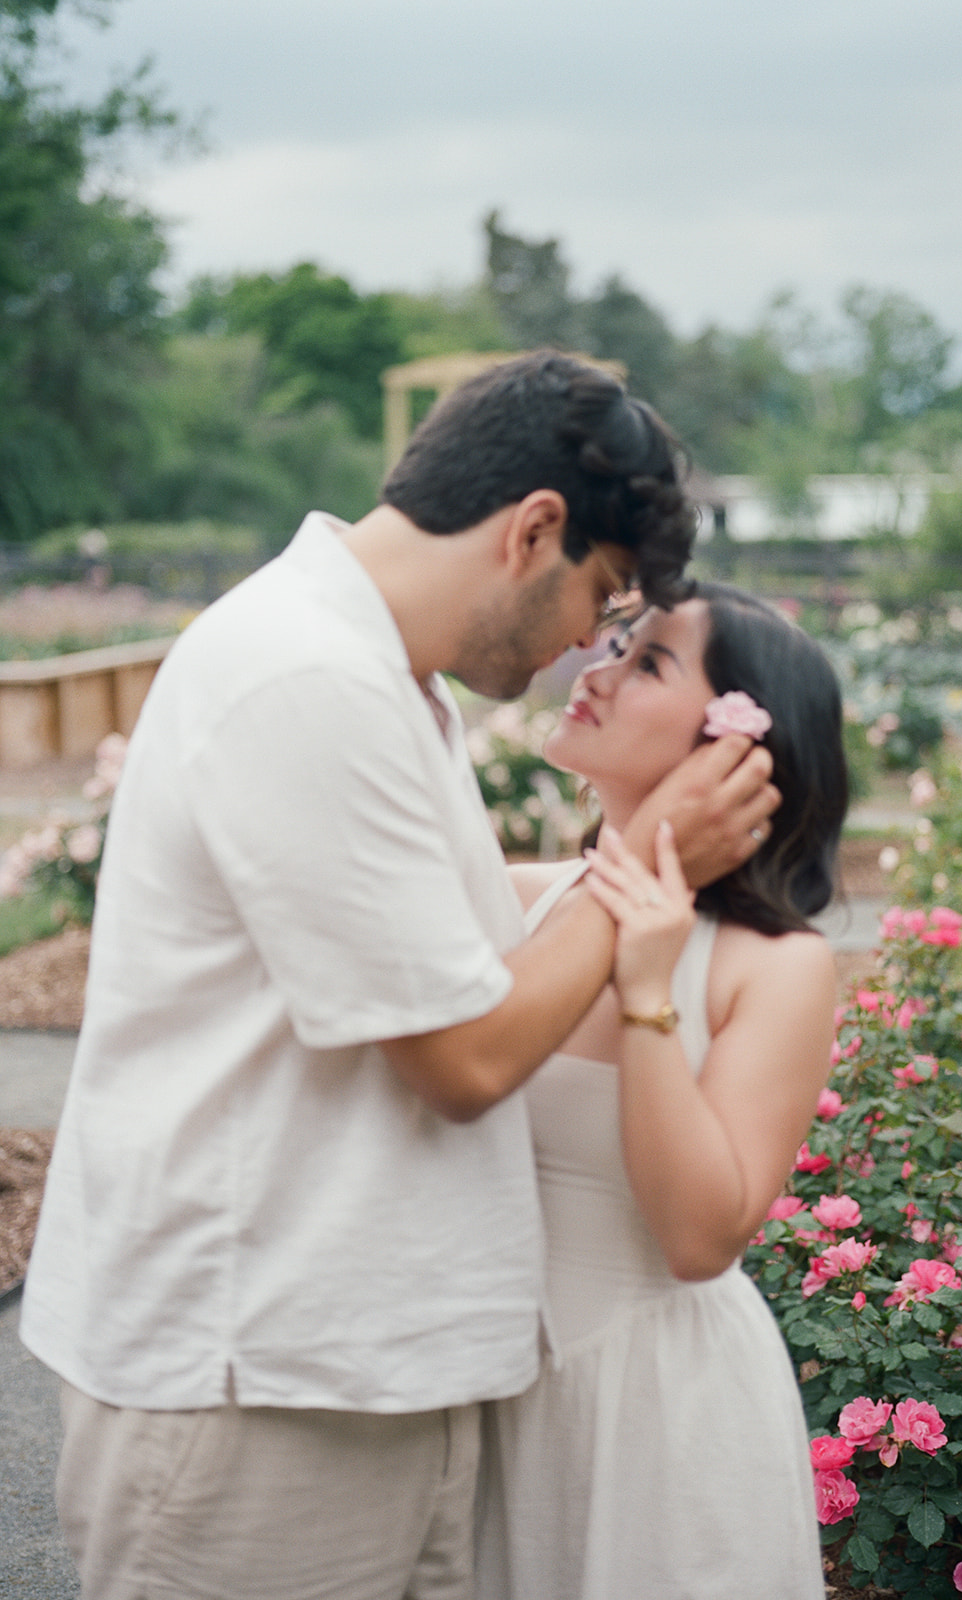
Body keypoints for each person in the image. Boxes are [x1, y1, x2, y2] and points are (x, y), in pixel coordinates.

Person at [20, 352, 778, 1600]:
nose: (593, 637)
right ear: (533, 529)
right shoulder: (305, 676)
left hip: (357, 1371)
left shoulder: (381, 677)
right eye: (600, 592)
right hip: (258, 1390)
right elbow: (464, 1057)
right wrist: (646, 858)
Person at [476, 582, 849, 1600]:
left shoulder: (771, 966)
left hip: (659, 1415)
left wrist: (646, 994)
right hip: (483, 1393)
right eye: (614, 644)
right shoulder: (512, 900)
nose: (592, 669)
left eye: (647, 663)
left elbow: (697, 1238)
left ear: (732, 749)